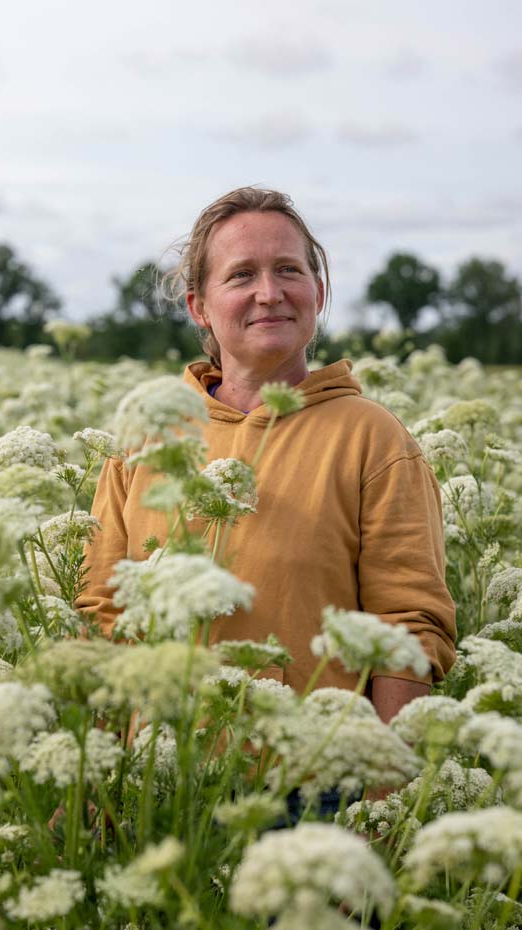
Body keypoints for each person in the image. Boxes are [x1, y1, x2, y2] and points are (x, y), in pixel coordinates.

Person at [76, 186, 456, 724]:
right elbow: (101, 613)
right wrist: (96, 790)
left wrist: (382, 794)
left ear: (318, 294)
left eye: (288, 270)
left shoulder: (374, 438)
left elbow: (408, 627)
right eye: (241, 275)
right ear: (198, 307)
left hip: (312, 782)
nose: (269, 293)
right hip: (153, 781)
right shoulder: (147, 436)